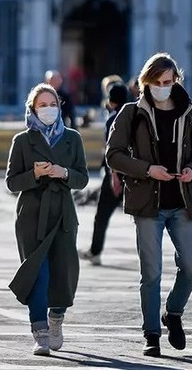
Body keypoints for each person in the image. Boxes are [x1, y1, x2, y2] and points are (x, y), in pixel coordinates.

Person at [106, 53, 192, 357]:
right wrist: (148, 170)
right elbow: (114, 155)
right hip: (147, 204)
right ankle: (151, 333)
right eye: (157, 83)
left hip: (182, 201)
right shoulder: (131, 112)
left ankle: (173, 312)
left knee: (191, 266)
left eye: (168, 81)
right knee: (151, 273)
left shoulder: (191, 112)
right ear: (146, 83)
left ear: (176, 80)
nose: (163, 87)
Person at [5, 83, 89, 356]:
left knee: (63, 273)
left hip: (63, 214)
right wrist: (36, 175)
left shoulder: (73, 138)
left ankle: (56, 319)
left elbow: (83, 178)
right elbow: (11, 182)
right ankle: (39, 332)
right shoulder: (22, 140)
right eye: (42, 105)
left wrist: (63, 172)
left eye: (52, 104)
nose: (48, 109)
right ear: (32, 109)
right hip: (31, 216)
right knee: (37, 276)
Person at [79, 82, 130, 266]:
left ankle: (95, 251)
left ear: (111, 100)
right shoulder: (135, 115)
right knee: (143, 219)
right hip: (135, 173)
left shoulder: (113, 120)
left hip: (116, 174)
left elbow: (113, 150)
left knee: (102, 215)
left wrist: (114, 176)